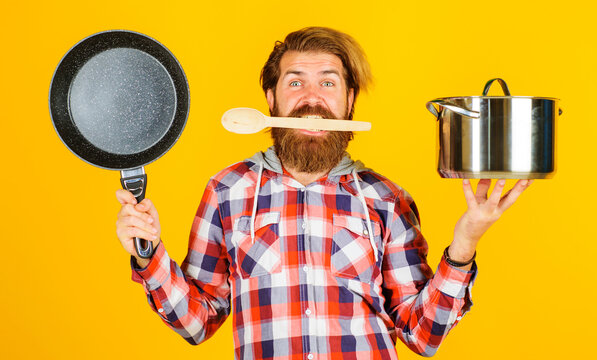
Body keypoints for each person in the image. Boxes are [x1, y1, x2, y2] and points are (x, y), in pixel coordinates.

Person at [115, 27, 531, 359]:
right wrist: (148, 255)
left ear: (349, 102)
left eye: (328, 84)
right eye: (295, 83)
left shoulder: (387, 199)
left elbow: (423, 337)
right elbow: (196, 323)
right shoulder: (227, 190)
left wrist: (465, 243)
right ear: (271, 99)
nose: (311, 99)